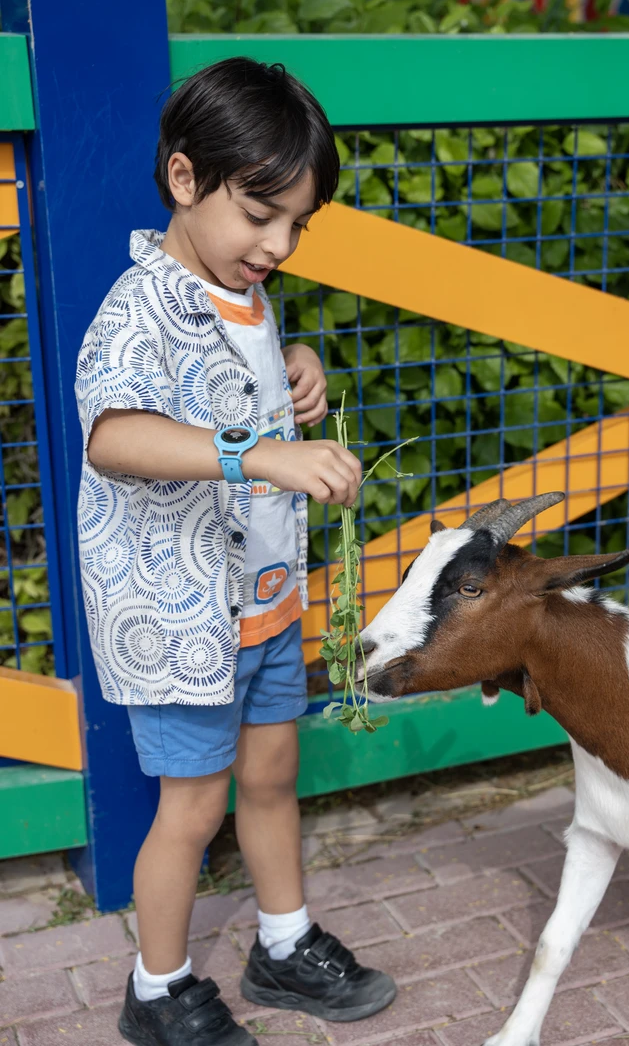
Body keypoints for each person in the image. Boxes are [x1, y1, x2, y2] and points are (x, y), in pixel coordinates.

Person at [75, 57, 396, 1046]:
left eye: (297, 224)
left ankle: (284, 941)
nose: (279, 242)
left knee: (270, 773)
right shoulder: (141, 305)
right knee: (191, 806)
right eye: (261, 213)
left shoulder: (242, 294)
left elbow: (243, 387)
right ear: (184, 179)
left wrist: (297, 366)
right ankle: (159, 985)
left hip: (260, 605)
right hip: (182, 623)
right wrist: (260, 451)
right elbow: (114, 436)